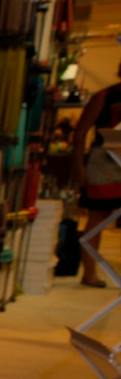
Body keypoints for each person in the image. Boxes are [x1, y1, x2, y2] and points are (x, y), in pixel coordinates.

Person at [71, 64, 121, 287]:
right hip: (104, 162)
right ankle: (89, 273)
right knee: (98, 217)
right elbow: (80, 132)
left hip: (109, 160)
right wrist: (79, 167)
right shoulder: (105, 96)